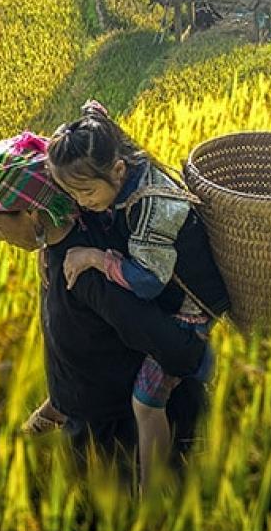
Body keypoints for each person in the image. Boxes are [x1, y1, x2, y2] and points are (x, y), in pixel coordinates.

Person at [0, 133, 211, 477]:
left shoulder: (85, 274)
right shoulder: (56, 251)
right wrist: (53, 409)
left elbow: (173, 347)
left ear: (33, 213)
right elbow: (86, 350)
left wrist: (194, 351)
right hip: (82, 429)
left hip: (115, 452)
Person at [46, 101, 231, 490]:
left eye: (86, 191)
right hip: (165, 291)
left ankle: (152, 493)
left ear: (117, 170)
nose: (82, 203)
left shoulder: (153, 206)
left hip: (190, 310)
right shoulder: (118, 170)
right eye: (72, 194)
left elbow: (148, 281)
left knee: (146, 403)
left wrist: (96, 257)